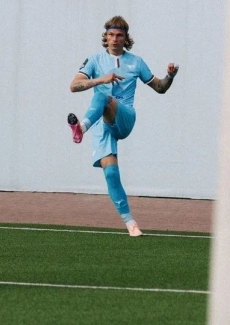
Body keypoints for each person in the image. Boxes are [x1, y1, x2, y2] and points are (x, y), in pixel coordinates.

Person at [67, 15, 178, 237]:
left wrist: (170, 76)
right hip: (101, 124)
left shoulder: (136, 62)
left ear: (126, 38)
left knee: (103, 98)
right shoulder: (94, 60)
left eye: (119, 35)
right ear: (105, 37)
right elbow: (74, 86)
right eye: (111, 35)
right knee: (111, 173)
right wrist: (100, 79)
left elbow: (160, 88)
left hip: (124, 117)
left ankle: (81, 127)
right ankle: (131, 224)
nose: (115, 39)